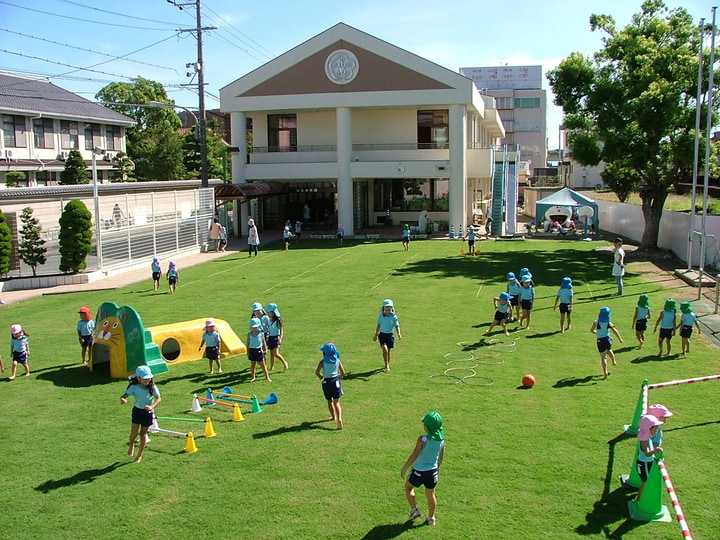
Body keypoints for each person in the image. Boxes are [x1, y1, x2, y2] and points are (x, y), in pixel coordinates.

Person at [401, 412, 445, 527]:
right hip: (432, 472)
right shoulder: (441, 441)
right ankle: (431, 518)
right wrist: (438, 469)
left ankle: (414, 510)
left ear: (427, 427)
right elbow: (441, 457)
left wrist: (405, 467)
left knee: (408, 487)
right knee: (430, 494)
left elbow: (415, 454)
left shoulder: (423, 439)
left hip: (418, 471)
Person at [120, 365, 161, 463]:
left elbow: (158, 398)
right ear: (138, 378)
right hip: (137, 411)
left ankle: (140, 454)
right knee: (133, 433)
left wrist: (152, 407)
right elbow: (124, 396)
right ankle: (131, 444)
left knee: (143, 434)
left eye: (149, 378)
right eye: (145, 379)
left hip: (147, 413)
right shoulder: (134, 387)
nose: (148, 381)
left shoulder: (152, 387)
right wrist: (123, 399)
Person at [315, 342, 346, 430]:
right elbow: (343, 372)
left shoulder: (322, 361)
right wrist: (340, 376)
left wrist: (321, 377)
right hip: (336, 381)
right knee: (337, 402)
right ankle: (339, 419)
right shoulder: (337, 361)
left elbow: (317, 372)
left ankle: (333, 416)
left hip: (326, 382)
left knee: (329, 401)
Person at [634, 414, 663, 502]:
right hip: (644, 464)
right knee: (645, 482)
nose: (657, 430)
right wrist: (655, 451)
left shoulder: (647, 438)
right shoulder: (644, 441)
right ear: (649, 429)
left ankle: (640, 498)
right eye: (655, 428)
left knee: (646, 482)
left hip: (646, 463)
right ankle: (639, 499)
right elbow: (646, 453)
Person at [590, 307, 623, 379]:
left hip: (600, 341)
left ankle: (605, 372)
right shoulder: (608, 323)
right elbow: (615, 331)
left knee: (603, 357)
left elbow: (591, 330)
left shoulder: (596, 322)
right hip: (607, 339)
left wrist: (597, 333)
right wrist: (620, 338)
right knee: (609, 350)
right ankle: (613, 361)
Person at [374, 298, 402, 372]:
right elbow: (378, 326)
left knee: (388, 351)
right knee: (385, 350)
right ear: (383, 307)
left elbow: (397, 326)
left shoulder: (394, 317)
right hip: (382, 335)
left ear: (392, 308)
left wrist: (399, 333)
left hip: (390, 335)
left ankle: (387, 364)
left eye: (389, 307)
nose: (388, 308)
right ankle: (386, 365)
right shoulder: (381, 317)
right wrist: (376, 335)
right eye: (386, 307)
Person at [247, 317, 271, 382]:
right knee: (253, 365)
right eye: (253, 327)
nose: (254, 329)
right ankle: (253, 377)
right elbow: (248, 343)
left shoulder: (261, 333)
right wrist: (248, 351)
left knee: (263, 365)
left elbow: (263, 342)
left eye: (256, 327)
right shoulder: (249, 334)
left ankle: (267, 377)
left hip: (259, 350)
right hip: (252, 350)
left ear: (258, 327)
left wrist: (265, 349)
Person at [266, 303, 289, 371]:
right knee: (271, 353)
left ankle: (284, 362)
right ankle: (272, 366)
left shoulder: (277, 320)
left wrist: (280, 338)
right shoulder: (269, 320)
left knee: (275, 353)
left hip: (276, 337)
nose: (268, 313)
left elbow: (281, 330)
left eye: (269, 312)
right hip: (270, 337)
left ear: (273, 312)